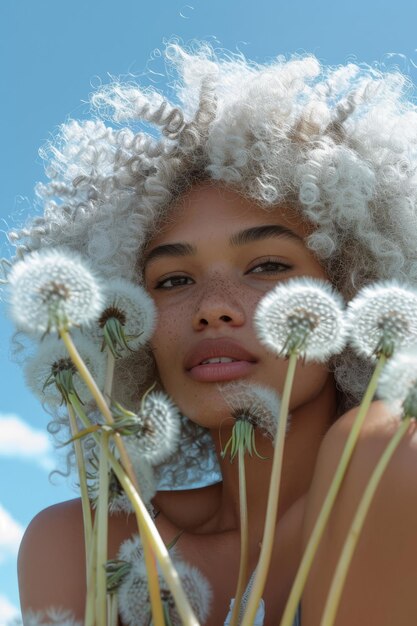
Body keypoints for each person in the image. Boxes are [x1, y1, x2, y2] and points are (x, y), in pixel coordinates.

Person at [11, 42, 417, 625]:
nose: (213, 310)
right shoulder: (81, 542)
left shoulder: (390, 454)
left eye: (269, 266)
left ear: (354, 288)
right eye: (174, 279)